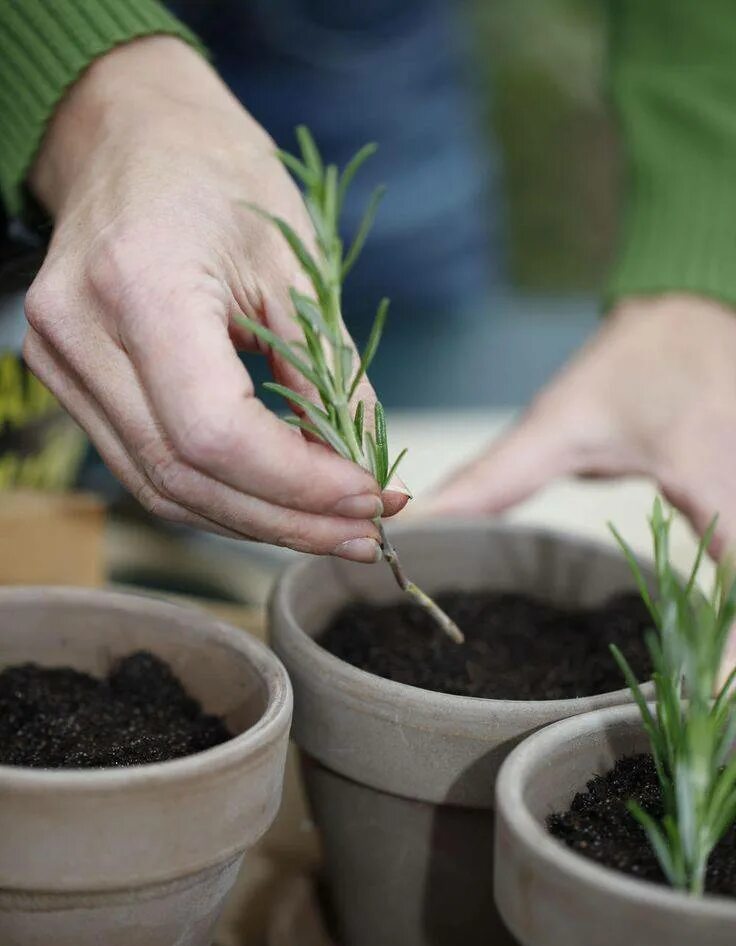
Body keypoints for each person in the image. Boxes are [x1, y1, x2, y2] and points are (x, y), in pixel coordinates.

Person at [1, 0, 734, 560]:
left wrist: (708, 247)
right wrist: (73, 82)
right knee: (79, 403)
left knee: (400, 345)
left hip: (355, 38)